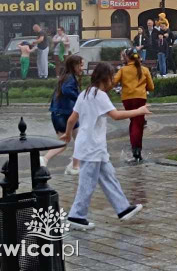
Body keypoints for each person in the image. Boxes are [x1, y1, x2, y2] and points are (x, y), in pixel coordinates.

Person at [60, 62, 148, 230]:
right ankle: (76, 216)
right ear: (105, 77)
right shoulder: (99, 95)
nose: (113, 80)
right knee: (87, 183)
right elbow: (115, 115)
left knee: (109, 177)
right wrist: (139, 111)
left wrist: (68, 134)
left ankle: (122, 209)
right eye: (112, 76)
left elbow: (72, 119)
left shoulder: (84, 94)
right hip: (92, 147)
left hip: (90, 146)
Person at [44, 55, 83, 175]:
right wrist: (80, 98)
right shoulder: (69, 78)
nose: (82, 68)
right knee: (69, 142)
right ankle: (44, 160)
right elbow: (66, 90)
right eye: (80, 65)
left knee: (76, 140)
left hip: (59, 114)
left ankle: (75, 165)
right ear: (74, 66)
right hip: (64, 114)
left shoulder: (66, 77)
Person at [113, 48, 154, 163]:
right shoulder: (144, 70)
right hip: (140, 98)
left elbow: (113, 82)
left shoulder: (123, 70)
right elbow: (151, 87)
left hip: (127, 99)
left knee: (133, 121)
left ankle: (135, 148)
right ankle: (136, 149)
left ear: (127, 57)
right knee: (138, 123)